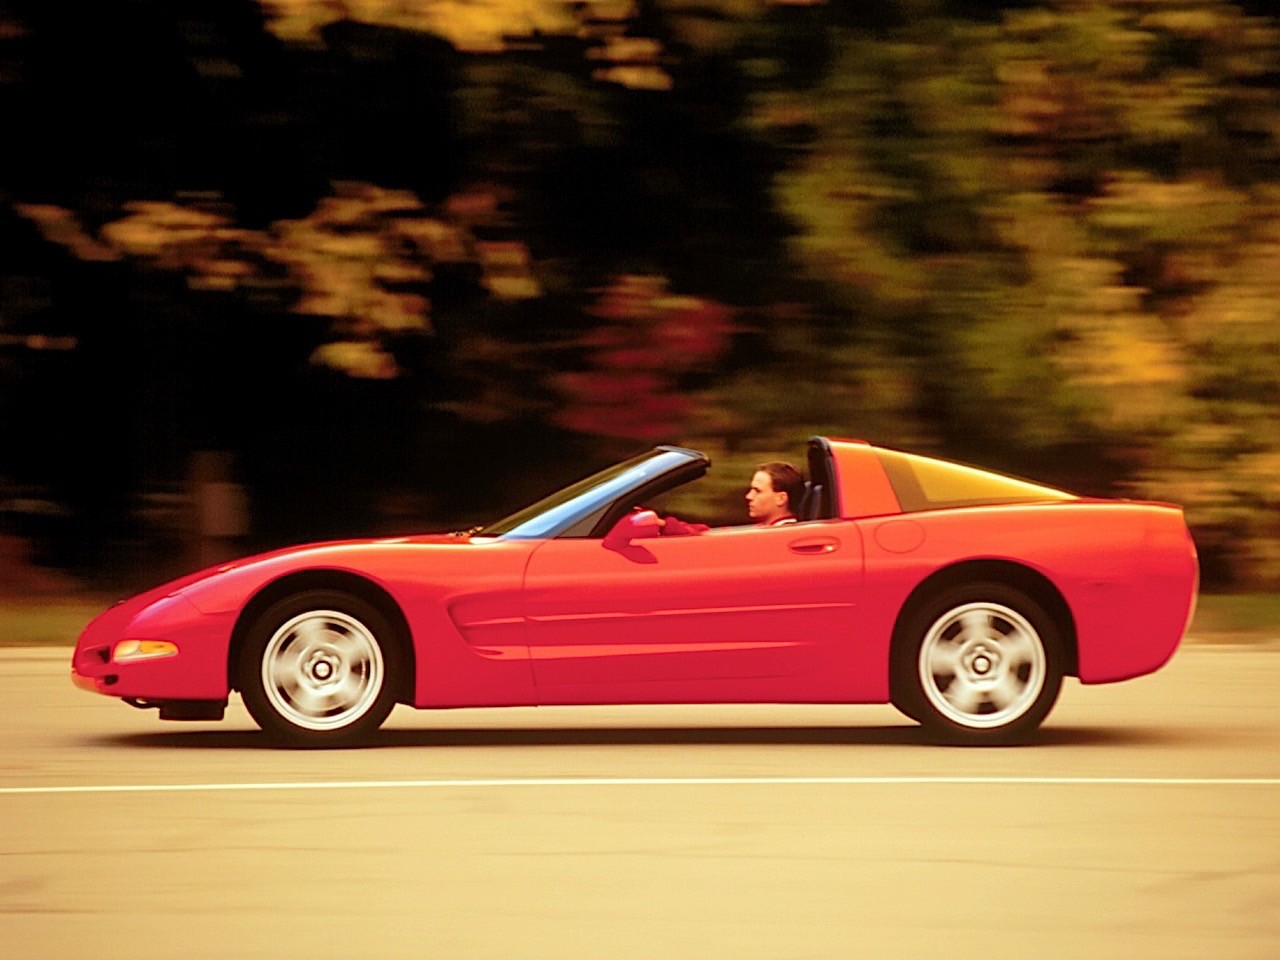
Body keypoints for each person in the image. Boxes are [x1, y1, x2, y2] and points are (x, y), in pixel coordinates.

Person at [745, 461, 804, 526]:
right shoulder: (764, 529)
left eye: (758, 491)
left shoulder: (785, 534)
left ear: (781, 498)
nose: (749, 496)